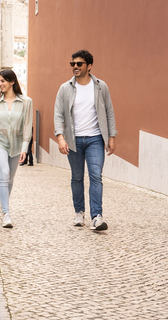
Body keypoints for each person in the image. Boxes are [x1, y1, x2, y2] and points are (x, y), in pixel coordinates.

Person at [54, 50, 117, 231]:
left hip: (95, 138)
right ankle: (79, 213)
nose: (75, 67)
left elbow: (109, 112)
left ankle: (96, 216)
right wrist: (60, 138)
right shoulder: (65, 88)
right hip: (73, 140)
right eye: (72, 64)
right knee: (77, 177)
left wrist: (111, 136)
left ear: (89, 66)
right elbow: (58, 113)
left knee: (96, 176)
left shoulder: (100, 86)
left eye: (79, 64)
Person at [0, 69, 33, 228]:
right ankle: (6, 213)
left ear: (12, 81)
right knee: (4, 174)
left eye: (3, 81)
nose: (0, 84)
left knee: (10, 178)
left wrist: (25, 147)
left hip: (17, 144)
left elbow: (27, 126)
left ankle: (4, 205)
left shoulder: (26, 102)